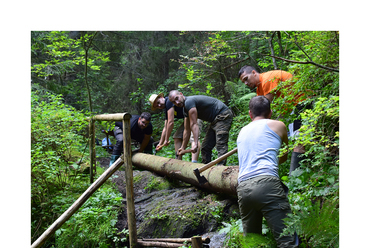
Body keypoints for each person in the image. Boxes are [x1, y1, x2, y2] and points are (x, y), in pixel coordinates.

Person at [236, 96, 297, 247]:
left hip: (243, 187)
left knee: (252, 243)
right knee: (286, 239)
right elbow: (284, 154)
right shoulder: (279, 125)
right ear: (270, 113)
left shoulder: (242, 132)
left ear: (250, 114)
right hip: (267, 184)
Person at [238, 65, 307, 174]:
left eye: (246, 79)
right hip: (291, 110)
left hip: (301, 104)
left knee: (298, 141)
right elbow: (261, 113)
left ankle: (296, 179)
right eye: (244, 82)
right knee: (294, 140)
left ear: (254, 73)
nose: (246, 83)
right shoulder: (259, 89)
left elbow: (264, 112)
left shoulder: (267, 80)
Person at [168, 90, 233, 165]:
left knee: (221, 143)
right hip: (214, 121)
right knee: (205, 147)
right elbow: (187, 129)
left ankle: (221, 168)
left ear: (181, 94)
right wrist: (183, 147)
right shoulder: (185, 110)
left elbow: (194, 124)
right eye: (174, 102)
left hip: (223, 115)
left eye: (177, 98)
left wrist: (195, 143)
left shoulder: (189, 102)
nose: (177, 103)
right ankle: (205, 169)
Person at [149, 93, 201, 162]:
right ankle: (178, 161)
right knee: (177, 137)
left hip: (195, 113)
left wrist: (166, 140)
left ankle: (194, 163)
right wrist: (160, 143)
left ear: (161, 97)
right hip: (187, 117)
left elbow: (171, 122)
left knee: (193, 138)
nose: (159, 105)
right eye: (157, 106)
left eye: (158, 102)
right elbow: (166, 127)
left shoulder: (168, 101)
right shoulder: (166, 108)